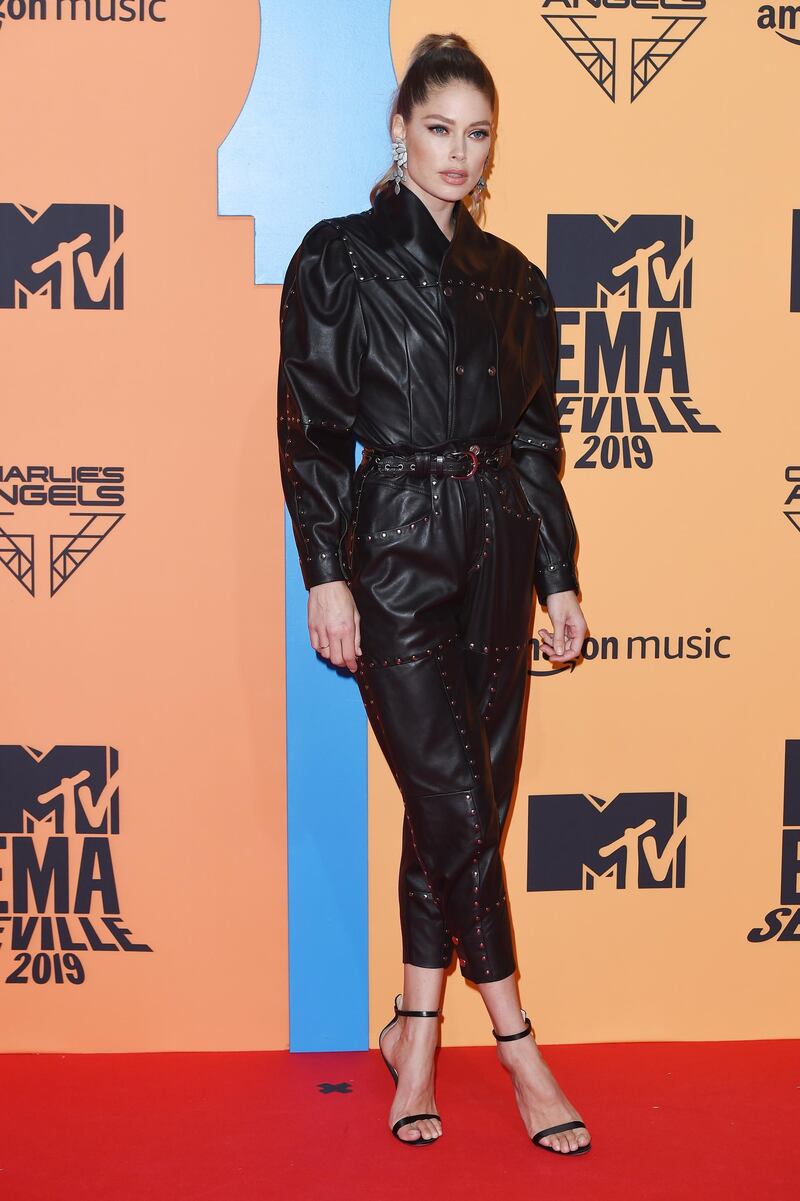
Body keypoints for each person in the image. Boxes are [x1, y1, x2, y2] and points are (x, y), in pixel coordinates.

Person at [277, 32, 591, 1155]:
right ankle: (516, 1045)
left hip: (498, 549)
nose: (457, 155)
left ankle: (415, 1029)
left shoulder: (516, 282)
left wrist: (555, 577)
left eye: (477, 135)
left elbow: (532, 447)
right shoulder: (338, 260)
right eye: (438, 129)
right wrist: (325, 572)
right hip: (395, 547)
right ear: (398, 131)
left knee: (452, 808)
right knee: (460, 807)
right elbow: (312, 432)